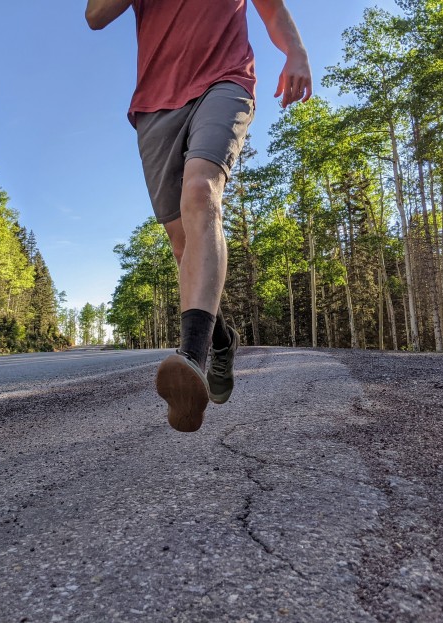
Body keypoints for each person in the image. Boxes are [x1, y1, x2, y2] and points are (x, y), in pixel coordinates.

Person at [85, 0, 312, 432]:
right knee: (181, 240)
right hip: (156, 103)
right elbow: (95, 15)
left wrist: (295, 52)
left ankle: (193, 355)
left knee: (201, 192)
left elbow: (273, 10)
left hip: (226, 82)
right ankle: (221, 338)